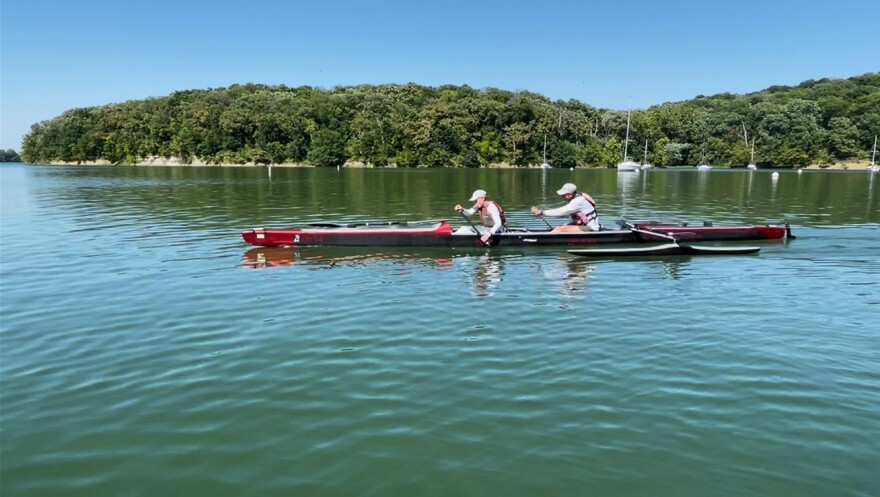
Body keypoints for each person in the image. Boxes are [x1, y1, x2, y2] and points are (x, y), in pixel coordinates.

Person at [530, 183, 601, 231]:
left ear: (570, 194)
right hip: (587, 225)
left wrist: (541, 212)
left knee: (559, 229)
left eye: (563, 195)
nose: (562, 196)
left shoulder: (577, 201)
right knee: (560, 227)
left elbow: (561, 211)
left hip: (591, 228)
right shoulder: (581, 195)